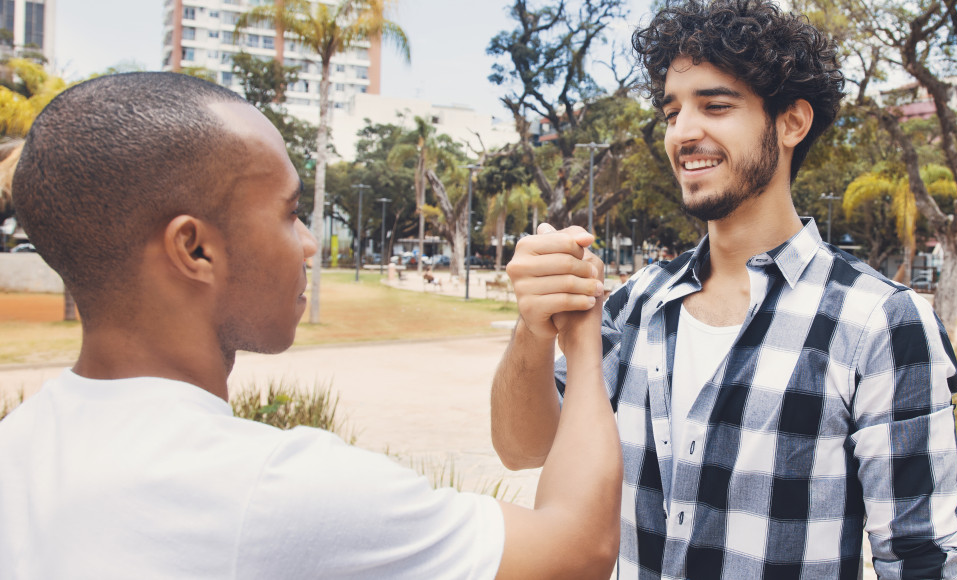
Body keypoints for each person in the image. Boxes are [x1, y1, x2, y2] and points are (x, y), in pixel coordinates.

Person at [0, 72, 621, 579]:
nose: (308, 245)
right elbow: (577, 550)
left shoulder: (19, 446)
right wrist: (582, 339)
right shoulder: (274, 490)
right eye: (291, 213)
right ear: (194, 250)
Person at [490, 1, 957, 578]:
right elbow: (523, 448)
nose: (684, 133)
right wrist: (532, 331)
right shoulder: (635, 304)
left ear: (791, 122)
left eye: (715, 105)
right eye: (672, 112)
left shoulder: (879, 321)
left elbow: (917, 560)